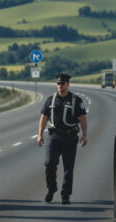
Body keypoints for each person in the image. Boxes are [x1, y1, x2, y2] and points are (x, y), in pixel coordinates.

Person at [37, 73, 88, 205]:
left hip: (70, 137)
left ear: (68, 84)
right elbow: (44, 118)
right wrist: (40, 134)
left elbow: (82, 118)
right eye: (58, 83)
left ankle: (65, 195)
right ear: (56, 85)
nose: (60, 86)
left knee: (68, 168)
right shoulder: (50, 100)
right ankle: (51, 188)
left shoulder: (76, 101)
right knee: (49, 163)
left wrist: (85, 134)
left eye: (63, 83)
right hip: (54, 136)